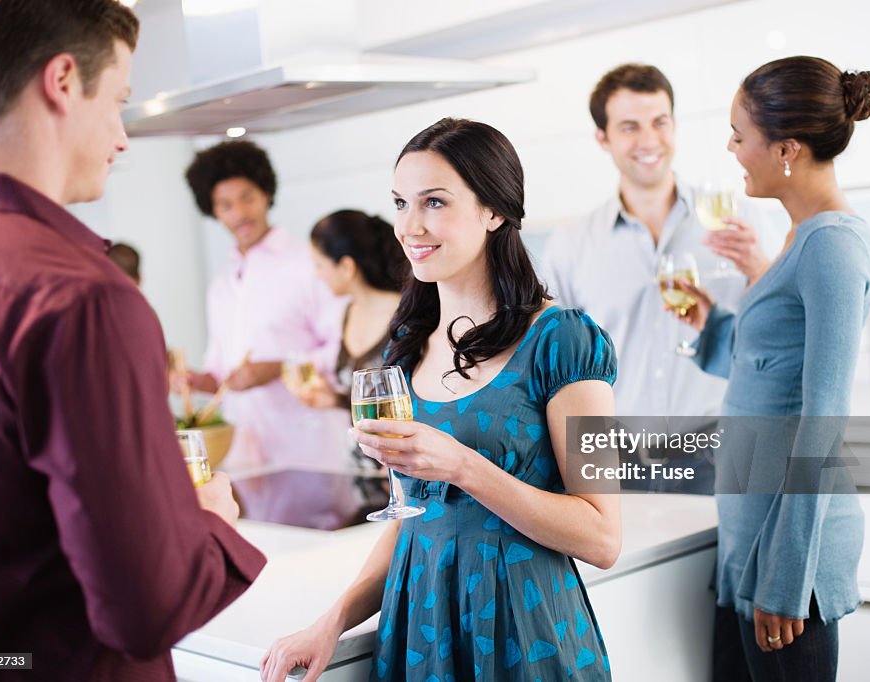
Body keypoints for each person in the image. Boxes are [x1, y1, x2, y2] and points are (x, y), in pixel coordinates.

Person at [0, 2, 266, 680]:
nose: (122, 137)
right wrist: (210, 519)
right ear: (62, 81)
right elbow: (145, 609)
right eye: (118, 100)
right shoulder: (80, 296)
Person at [261, 118, 621, 682]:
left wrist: (462, 466)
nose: (409, 226)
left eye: (434, 202)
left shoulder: (564, 340)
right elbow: (412, 520)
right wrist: (332, 621)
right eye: (401, 203)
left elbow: (602, 536)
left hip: (524, 633)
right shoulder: (406, 351)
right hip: (422, 630)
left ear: (495, 210)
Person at [672, 56, 870, 681]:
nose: (732, 148)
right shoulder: (800, 236)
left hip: (788, 553)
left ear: (786, 147)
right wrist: (709, 323)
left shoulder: (832, 245)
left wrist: (786, 580)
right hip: (753, 526)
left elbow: (822, 420)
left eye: (741, 135)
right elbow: (770, 365)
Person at [542, 64, 773, 492]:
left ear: (675, 125)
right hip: (615, 458)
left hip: (720, 448)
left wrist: (760, 269)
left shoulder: (738, 219)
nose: (649, 140)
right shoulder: (572, 245)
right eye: (629, 127)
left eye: (659, 122)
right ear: (603, 138)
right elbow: (555, 364)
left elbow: (777, 330)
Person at [180, 140, 358, 530]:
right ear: (213, 212)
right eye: (226, 205)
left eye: (247, 197)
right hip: (245, 459)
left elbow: (344, 351)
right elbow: (221, 374)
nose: (240, 212)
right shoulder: (223, 284)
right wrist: (194, 380)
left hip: (308, 451)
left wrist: (278, 368)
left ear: (266, 194)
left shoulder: (307, 265)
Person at [293, 209, 408, 513]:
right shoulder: (348, 313)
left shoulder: (407, 318)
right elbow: (369, 404)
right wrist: (333, 399)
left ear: (346, 266)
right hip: (361, 474)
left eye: (320, 265)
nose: (317, 275)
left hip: (401, 477)